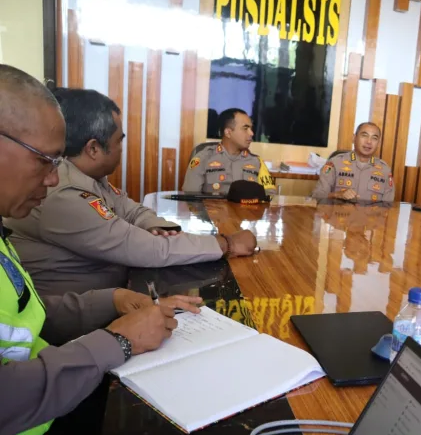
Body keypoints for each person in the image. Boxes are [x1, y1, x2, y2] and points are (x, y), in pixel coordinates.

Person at [0, 64, 199, 435]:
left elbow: (29, 312)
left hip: (46, 407)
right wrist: (118, 341)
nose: (54, 178)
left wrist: (111, 299)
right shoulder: (60, 197)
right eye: (45, 160)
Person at [6, 89, 258, 296]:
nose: (121, 149)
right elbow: (145, 248)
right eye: (119, 141)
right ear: (93, 149)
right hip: (80, 317)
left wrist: (158, 227)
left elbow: (132, 210)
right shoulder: (63, 192)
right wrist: (227, 244)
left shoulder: (90, 177)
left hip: (113, 294)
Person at [182, 108, 275, 194]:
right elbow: (190, 197)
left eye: (251, 129)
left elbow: (269, 196)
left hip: (246, 207)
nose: (251, 133)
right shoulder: (202, 158)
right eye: (245, 128)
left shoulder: (257, 162)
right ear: (228, 132)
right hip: (213, 207)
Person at [311, 122, 395, 202]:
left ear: (378, 143)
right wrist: (337, 194)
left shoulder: (385, 170)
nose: (369, 141)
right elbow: (316, 196)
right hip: (338, 212)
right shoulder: (334, 163)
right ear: (354, 138)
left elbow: (388, 205)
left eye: (374, 138)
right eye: (364, 135)